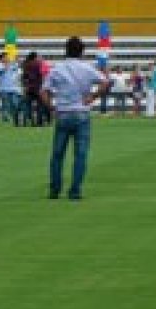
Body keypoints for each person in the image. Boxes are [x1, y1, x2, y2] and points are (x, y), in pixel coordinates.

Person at [42, 36, 108, 200]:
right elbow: (105, 82)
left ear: (66, 50)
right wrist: (92, 97)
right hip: (81, 113)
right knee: (80, 154)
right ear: (82, 52)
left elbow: (44, 91)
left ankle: (55, 189)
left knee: (57, 154)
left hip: (63, 113)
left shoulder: (57, 69)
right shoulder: (87, 68)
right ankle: (75, 190)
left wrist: (51, 107)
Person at [0, 52, 22, 125]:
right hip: (4, 88)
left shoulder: (11, 64)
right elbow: (3, 70)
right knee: (5, 105)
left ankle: (15, 117)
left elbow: (17, 67)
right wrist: (8, 63)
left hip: (13, 88)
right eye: (5, 57)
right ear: (1, 58)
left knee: (14, 104)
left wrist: (17, 60)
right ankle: (5, 118)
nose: (7, 58)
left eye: (7, 57)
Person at [21, 51, 45, 127]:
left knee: (28, 105)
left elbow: (24, 77)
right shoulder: (37, 64)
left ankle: (28, 120)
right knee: (40, 105)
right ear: (35, 57)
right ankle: (39, 122)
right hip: (37, 87)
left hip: (28, 88)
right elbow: (40, 76)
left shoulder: (25, 64)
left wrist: (24, 86)